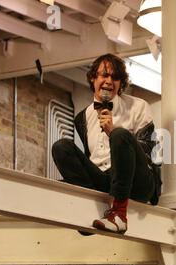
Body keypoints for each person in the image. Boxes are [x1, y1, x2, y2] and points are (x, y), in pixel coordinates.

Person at [52, 53, 161, 234]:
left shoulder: (138, 106)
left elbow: (148, 152)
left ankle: (119, 214)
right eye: (104, 75)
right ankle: (88, 207)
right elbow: (89, 156)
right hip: (104, 180)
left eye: (115, 77)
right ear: (93, 78)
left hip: (138, 182)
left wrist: (112, 131)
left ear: (121, 83)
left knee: (119, 134)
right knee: (61, 147)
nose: (109, 81)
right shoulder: (83, 117)